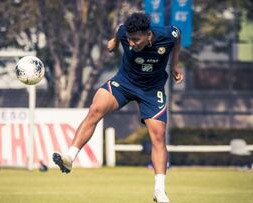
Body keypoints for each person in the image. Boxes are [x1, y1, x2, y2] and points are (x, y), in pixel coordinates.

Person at [53, 12, 184, 203]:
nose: (131, 43)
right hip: (125, 83)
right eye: (128, 40)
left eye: (136, 40)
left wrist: (175, 64)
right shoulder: (124, 33)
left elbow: (178, 35)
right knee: (95, 110)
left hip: (151, 90)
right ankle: (70, 157)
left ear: (149, 35)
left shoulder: (167, 35)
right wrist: (114, 42)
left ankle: (159, 190)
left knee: (158, 136)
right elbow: (118, 30)